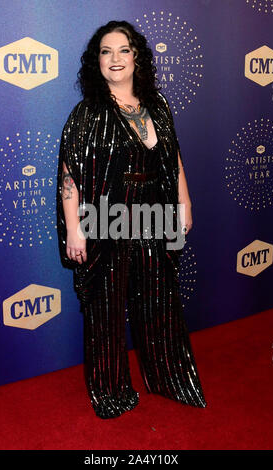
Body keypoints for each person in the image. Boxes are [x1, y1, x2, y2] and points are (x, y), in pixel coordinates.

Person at [57, 20, 207, 419]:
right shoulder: (88, 112)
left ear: (137, 56)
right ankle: (110, 389)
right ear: (97, 61)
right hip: (108, 215)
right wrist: (75, 228)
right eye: (106, 51)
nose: (116, 58)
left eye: (123, 49)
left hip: (154, 210)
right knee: (106, 307)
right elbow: (69, 173)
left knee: (160, 300)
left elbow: (172, 155)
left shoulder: (156, 103)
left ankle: (169, 378)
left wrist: (185, 199)